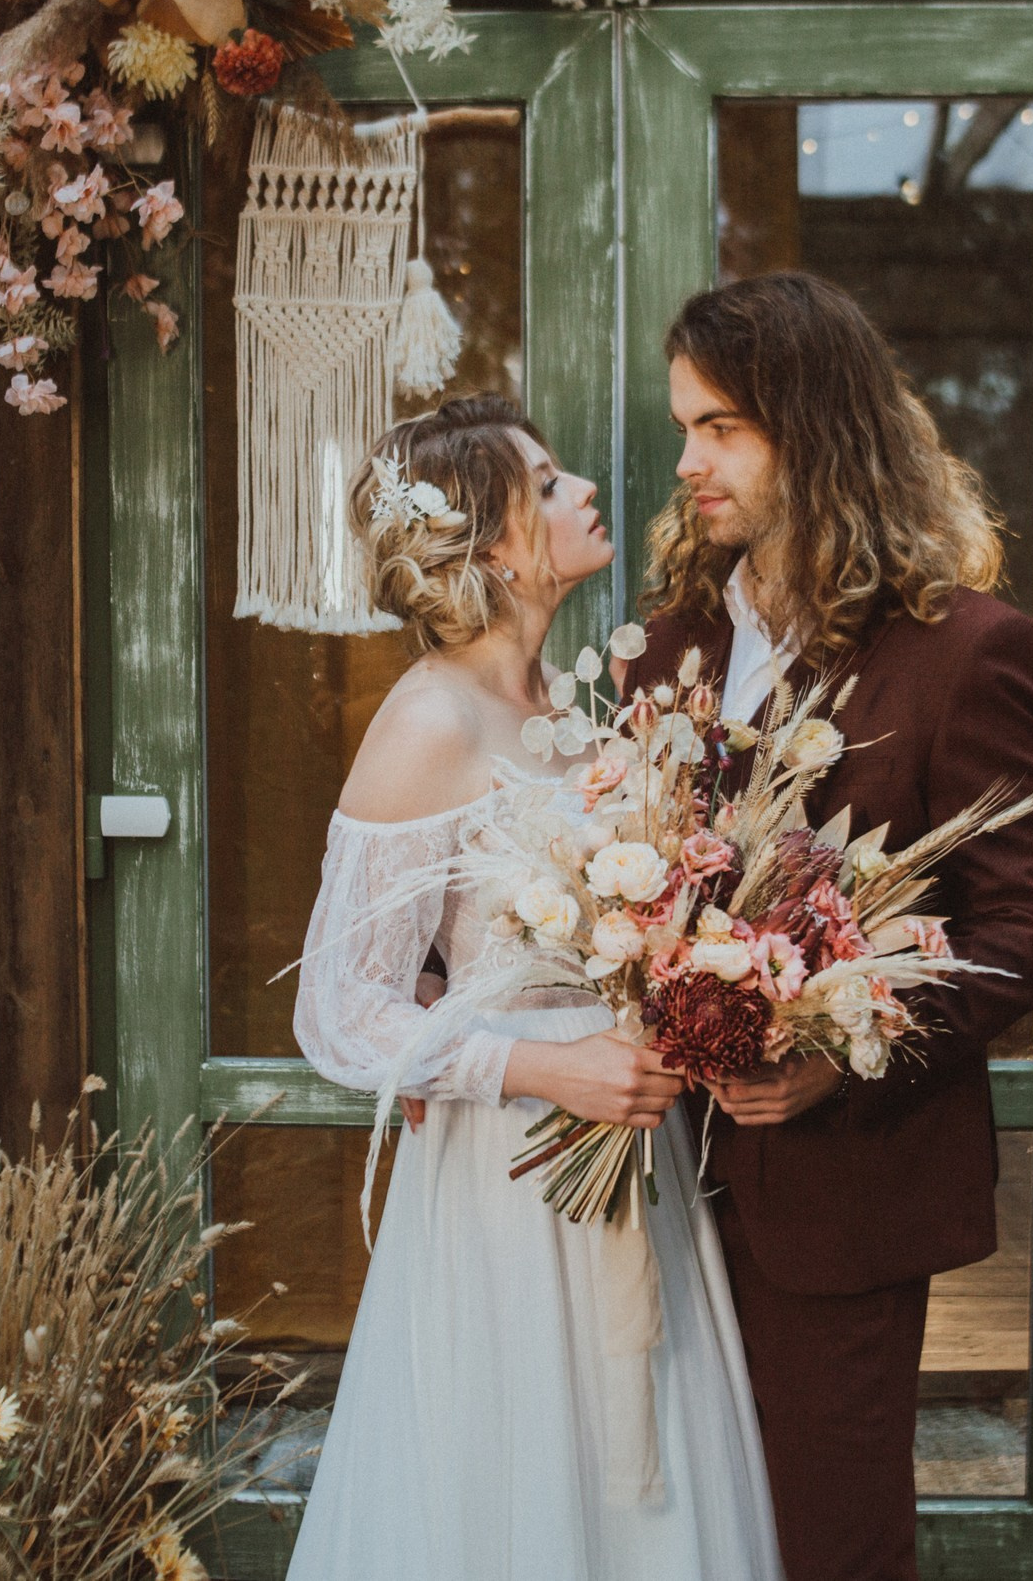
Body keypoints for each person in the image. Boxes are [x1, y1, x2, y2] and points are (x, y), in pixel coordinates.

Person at [622, 273, 1033, 1581]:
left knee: (828, 1547)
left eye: (722, 427)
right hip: (654, 1185)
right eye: (685, 425)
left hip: (840, 1189)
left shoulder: (969, 652)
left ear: (814, 431)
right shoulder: (667, 650)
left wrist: (848, 1041)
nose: (688, 459)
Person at [286, 394, 783, 1581]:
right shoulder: (428, 721)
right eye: (552, 483)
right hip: (513, 1180)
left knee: (639, 1466)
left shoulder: (565, 708)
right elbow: (338, 1003)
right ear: (501, 547)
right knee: (516, 1479)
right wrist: (547, 1066)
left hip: (630, 1158)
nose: (586, 494)